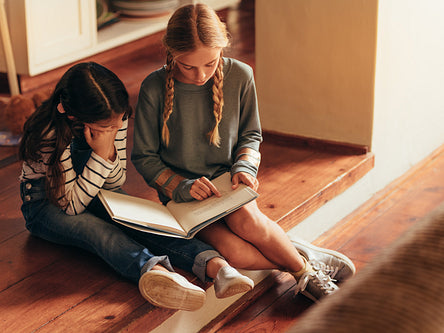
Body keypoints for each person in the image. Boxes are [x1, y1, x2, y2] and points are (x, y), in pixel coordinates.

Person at [131, 4, 356, 302]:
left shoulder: (240, 75)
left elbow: (251, 135)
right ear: (171, 53)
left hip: (228, 184)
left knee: (245, 222)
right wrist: (182, 187)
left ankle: (306, 278)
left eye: (210, 64)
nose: (201, 75)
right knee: (235, 253)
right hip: (183, 197)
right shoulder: (153, 88)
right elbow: (144, 157)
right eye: (188, 66)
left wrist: (245, 168)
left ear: (222, 48)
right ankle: (301, 257)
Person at [18, 62, 255, 312]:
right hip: (46, 203)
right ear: (75, 117)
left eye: (118, 123)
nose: (116, 129)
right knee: (100, 232)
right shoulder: (49, 134)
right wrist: (100, 154)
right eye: (106, 128)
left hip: (94, 187)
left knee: (144, 223)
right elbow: (73, 206)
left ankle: (218, 267)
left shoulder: (116, 117)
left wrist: (107, 147)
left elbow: (115, 181)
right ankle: (158, 274)